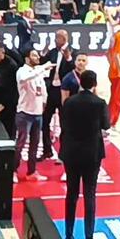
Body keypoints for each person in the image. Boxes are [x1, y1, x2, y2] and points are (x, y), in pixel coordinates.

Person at [60, 69, 111, 239]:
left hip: (72, 153)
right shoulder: (100, 103)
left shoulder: (69, 102)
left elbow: (64, 123)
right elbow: (106, 125)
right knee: (90, 194)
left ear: (80, 82)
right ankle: (89, 235)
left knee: (71, 194)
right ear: (94, 84)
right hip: (92, 154)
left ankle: (68, 234)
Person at [15, 48, 54, 182]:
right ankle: (13, 170)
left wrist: (44, 102)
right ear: (27, 58)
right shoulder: (22, 71)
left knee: (35, 144)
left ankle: (31, 171)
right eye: (34, 55)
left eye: (37, 55)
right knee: (20, 144)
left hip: (38, 114)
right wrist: (43, 67)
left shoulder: (38, 72)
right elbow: (25, 78)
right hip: (24, 113)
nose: (37, 57)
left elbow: (43, 89)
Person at [41, 29, 75, 161]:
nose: (55, 40)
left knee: (64, 124)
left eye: (57, 38)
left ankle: (63, 154)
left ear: (64, 39)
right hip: (51, 90)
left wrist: (69, 58)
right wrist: (43, 53)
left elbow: (74, 70)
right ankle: (47, 150)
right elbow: (42, 62)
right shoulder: (53, 51)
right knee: (45, 121)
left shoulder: (73, 51)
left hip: (64, 92)